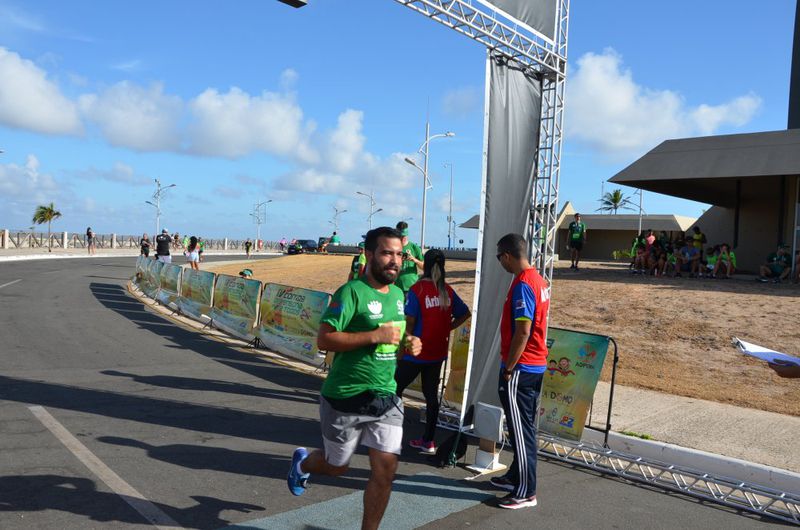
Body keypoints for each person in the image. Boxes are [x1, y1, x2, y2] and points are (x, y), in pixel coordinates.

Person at [287, 227, 422, 530]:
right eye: (387, 253)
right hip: (345, 396)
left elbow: (394, 340)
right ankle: (303, 463)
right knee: (337, 466)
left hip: (386, 396)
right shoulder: (351, 292)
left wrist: (408, 342)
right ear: (369, 254)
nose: (395, 260)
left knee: (385, 472)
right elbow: (324, 339)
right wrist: (374, 335)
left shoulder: (398, 294)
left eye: (399, 254)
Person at [488, 233, 549, 510]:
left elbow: (523, 331)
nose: (499, 262)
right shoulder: (537, 280)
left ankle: (526, 492)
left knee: (522, 431)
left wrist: (509, 367)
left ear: (507, 256)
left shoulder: (524, 284)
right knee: (521, 428)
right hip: (533, 365)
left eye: (499, 257)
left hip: (522, 367)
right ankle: (516, 476)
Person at [395, 249, 471, 454]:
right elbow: (465, 313)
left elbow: (410, 323)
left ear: (425, 265)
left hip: (416, 352)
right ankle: (428, 441)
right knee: (431, 396)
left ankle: (390, 434)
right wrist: (448, 328)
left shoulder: (417, 289)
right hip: (437, 352)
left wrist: (402, 349)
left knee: (394, 389)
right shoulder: (447, 290)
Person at [394, 221, 424, 295]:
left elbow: (424, 267)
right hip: (396, 287)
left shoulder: (414, 247)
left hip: (411, 287)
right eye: (400, 236)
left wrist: (414, 260)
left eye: (404, 236)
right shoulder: (393, 247)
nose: (402, 238)